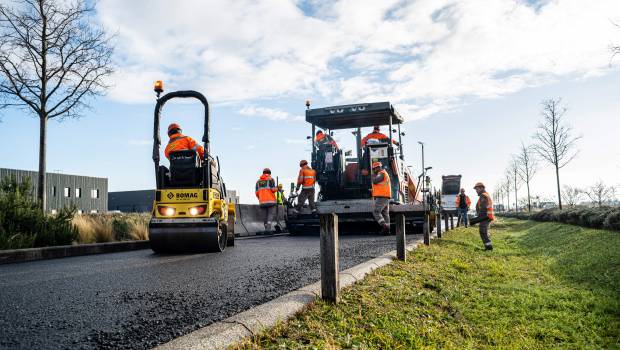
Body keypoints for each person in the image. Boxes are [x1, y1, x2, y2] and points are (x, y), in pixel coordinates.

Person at [469, 182, 495, 250]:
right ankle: (488, 246)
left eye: (477, 189)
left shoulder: (483, 195)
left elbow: (483, 209)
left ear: (481, 188)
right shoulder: (485, 195)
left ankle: (489, 248)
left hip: (485, 217)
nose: (476, 191)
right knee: (484, 231)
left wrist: (477, 219)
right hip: (487, 217)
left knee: (482, 231)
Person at [255, 168, 278, 232]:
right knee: (270, 215)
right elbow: (273, 190)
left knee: (264, 216)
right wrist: (277, 188)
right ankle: (268, 229)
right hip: (271, 201)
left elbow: (256, 193)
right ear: (269, 173)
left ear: (263, 173)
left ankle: (266, 228)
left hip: (262, 202)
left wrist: (260, 198)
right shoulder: (271, 179)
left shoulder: (258, 181)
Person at [371, 161, 391, 233]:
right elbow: (379, 185)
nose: (373, 170)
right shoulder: (382, 173)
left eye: (374, 169)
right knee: (385, 213)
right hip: (385, 196)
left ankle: (384, 226)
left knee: (376, 211)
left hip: (382, 196)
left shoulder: (382, 173)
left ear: (378, 167)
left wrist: (372, 175)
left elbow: (375, 181)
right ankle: (387, 229)